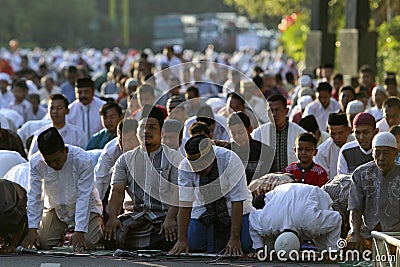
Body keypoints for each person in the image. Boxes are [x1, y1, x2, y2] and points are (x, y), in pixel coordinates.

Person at [104, 105, 183, 250]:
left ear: (162, 131)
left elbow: (177, 192)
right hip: (135, 216)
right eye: (142, 127)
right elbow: (116, 192)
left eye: (152, 127)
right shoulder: (124, 160)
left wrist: (171, 218)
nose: (146, 131)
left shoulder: (174, 158)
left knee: (170, 235)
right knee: (111, 236)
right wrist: (113, 218)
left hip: (162, 217)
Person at [169, 134, 253, 255]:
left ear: (211, 157)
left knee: (244, 245)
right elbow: (185, 203)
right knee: (191, 244)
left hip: (235, 208)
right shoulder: (185, 166)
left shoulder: (230, 160)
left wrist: (234, 237)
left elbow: (237, 200)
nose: (199, 171)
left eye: (202, 167)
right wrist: (181, 239)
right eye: (195, 168)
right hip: (204, 209)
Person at [21, 127, 103, 250]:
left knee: (89, 243)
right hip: (56, 208)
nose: (53, 165)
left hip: (85, 207)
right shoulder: (36, 162)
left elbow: (84, 197)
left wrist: (80, 230)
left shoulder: (83, 160)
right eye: (49, 162)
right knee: (43, 243)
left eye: (56, 160)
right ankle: (61, 235)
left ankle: (97, 225)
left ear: (65, 150)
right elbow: (35, 196)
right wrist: (32, 228)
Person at [249, 183, 341, 253]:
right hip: (285, 191)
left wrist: (259, 248)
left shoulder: (311, 223)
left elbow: (337, 218)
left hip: (312, 194)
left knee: (325, 246)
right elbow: (253, 218)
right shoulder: (268, 224)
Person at [347, 132, 400, 250]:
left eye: (386, 153)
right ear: (372, 153)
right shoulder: (361, 173)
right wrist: (355, 233)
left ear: (395, 154)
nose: (381, 158)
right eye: (377, 153)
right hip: (367, 232)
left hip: (396, 234)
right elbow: (355, 208)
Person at [252, 94, 306, 173]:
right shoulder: (258, 134)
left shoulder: (299, 132)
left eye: (277, 110)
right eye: (270, 111)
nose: (273, 114)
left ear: (286, 111)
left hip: (293, 180)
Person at [28, 94, 87, 158]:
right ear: (47, 110)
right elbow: (32, 158)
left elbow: (85, 157)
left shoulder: (77, 133)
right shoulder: (41, 134)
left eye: (59, 108)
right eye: (52, 108)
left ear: (67, 111)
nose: (55, 111)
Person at [95, 118, 139, 203]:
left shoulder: (148, 145)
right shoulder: (110, 151)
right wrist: (96, 209)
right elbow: (100, 179)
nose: (125, 145)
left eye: (130, 140)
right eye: (122, 140)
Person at [226, 112, 273, 184]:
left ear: (250, 129)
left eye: (241, 132)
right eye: (233, 134)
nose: (237, 137)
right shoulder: (227, 153)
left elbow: (270, 179)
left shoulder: (265, 152)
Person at [314, 113, 354, 179]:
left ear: (348, 130)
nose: (337, 137)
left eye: (340, 133)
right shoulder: (322, 152)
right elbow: (324, 179)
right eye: (333, 134)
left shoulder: (356, 144)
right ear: (328, 131)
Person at [0, 179, 27, 254]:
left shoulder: (6, 211)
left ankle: (12, 242)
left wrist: (13, 245)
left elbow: (21, 217)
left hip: (18, 206)